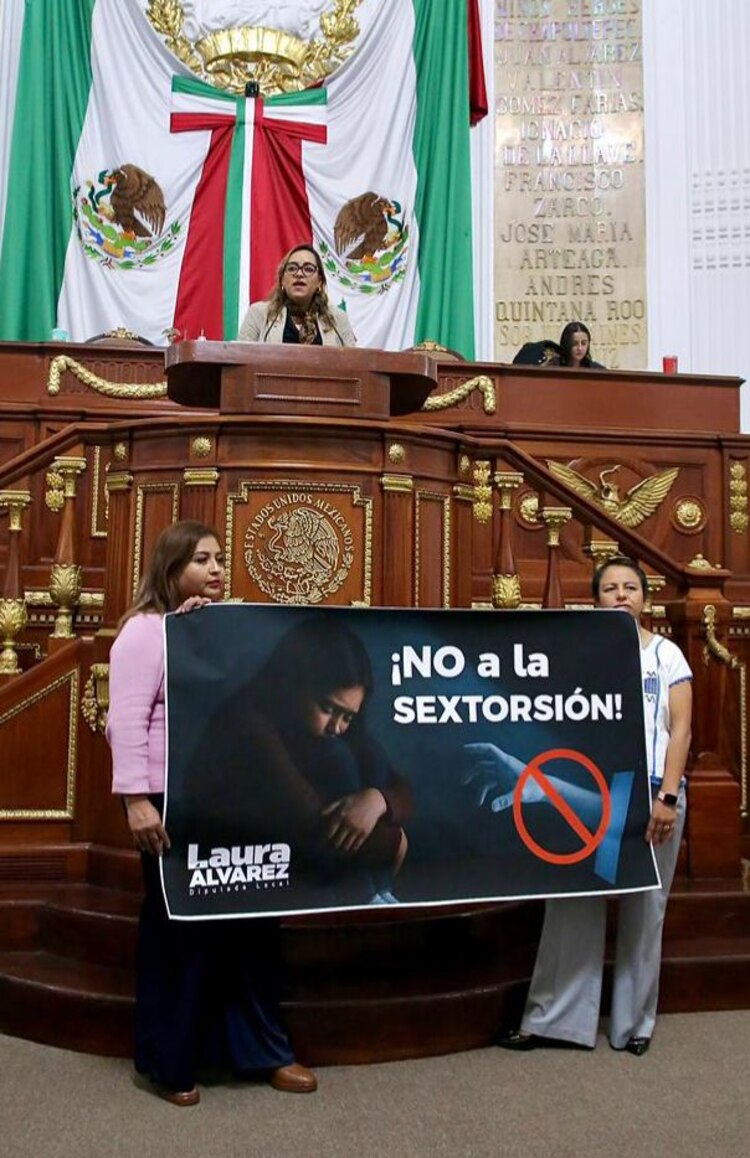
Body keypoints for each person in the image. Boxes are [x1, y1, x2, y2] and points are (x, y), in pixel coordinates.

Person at [105, 520, 317, 1105]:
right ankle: (168, 1061)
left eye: (219, 558)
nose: (216, 568)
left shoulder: (215, 627)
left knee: (253, 926)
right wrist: (136, 800)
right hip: (169, 802)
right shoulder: (144, 632)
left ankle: (264, 1051)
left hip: (234, 798)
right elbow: (125, 720)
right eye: (201, 559)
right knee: (181, 932)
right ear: (170, 569)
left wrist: (208, 632)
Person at [496, 555, 692, 1056]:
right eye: (610, 588)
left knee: (645, 908)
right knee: (573, 899)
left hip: (652, 793)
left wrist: (668, 797)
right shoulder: (581, 655)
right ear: (596, 599)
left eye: (631, 587)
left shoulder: (666, 654)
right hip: (596, 795)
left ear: (645, 598)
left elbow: (681, 732)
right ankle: (554, 1021)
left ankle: (634, 1025)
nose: (622, 595)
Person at [196, 617, 412, 907]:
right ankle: (365, 894)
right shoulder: (249, 724)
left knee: (369, 756)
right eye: (327, 707)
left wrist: (378, 800)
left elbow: (403, 789)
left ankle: (376, 891)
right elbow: (314, 822)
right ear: (295, 684)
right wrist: (395, 840)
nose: (337, 726)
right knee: (338, 757)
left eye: (348, 716)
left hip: (313, 855)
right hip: (247, 856)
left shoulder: (327, 732)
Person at [238, 244, 356, 346]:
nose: (299, 274)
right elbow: (240, 358)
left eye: (308, 269)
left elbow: (354, 361)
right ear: (282, 280)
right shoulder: (259, 313)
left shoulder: (338, 319)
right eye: (292, 268)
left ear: (319, 281)